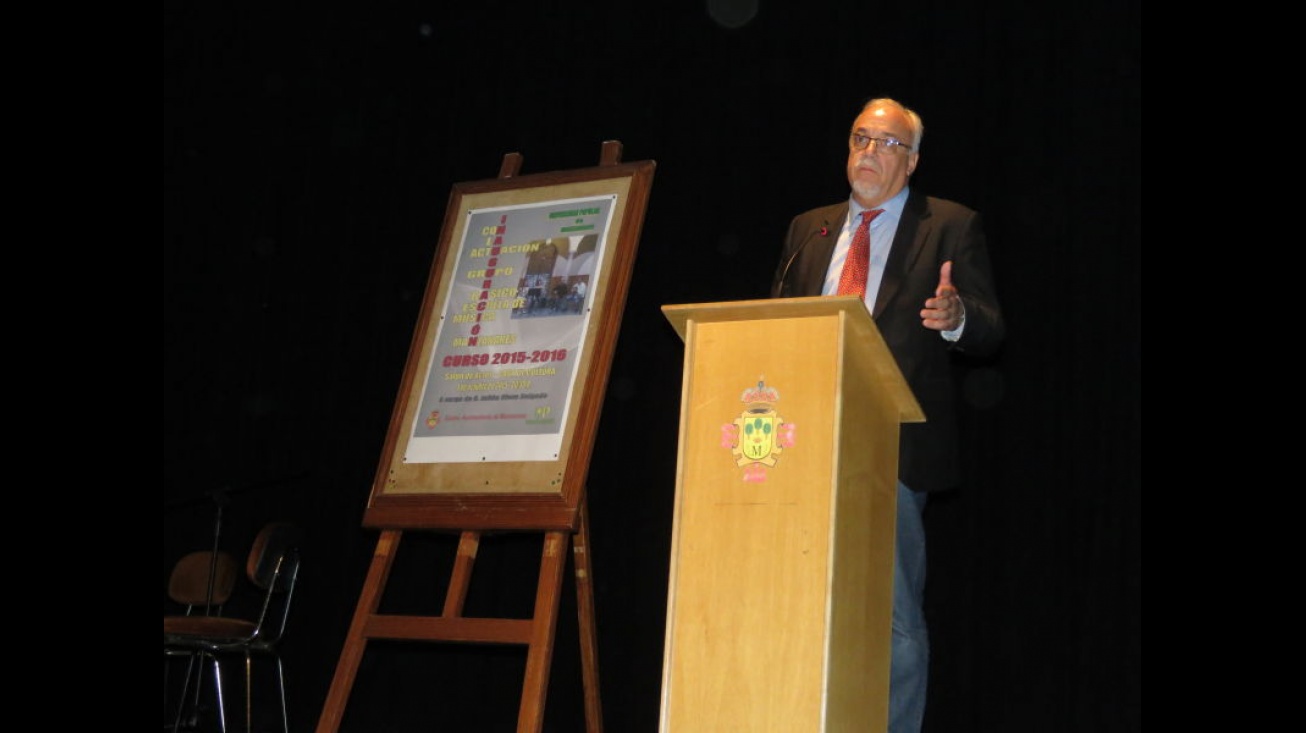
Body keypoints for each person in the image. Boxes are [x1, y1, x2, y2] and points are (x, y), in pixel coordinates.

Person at [769, 97, 1005, 733]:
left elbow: (989, 328)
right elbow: (771, 326)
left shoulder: (950, 225)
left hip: (890, 447)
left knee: (891, 617)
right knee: (792, 601)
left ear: (913, 160)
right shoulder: (808, 230)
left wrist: (956, 320)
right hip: (796, 441)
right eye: (859, 138)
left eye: (886, 143)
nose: (868, 152)